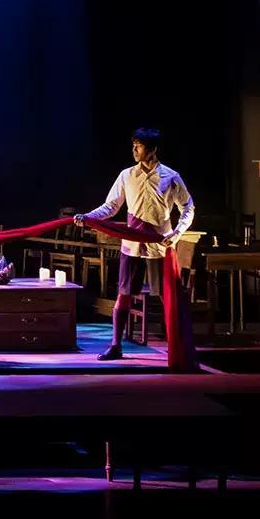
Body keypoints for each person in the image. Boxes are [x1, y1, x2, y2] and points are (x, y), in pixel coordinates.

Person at [76, 128, 197, 367]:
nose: (134, 149)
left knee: (167, 297)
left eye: (139, 146)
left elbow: (188, 207)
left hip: (159, 244)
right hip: (132, 244)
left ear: (152, 149)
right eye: (133, 145)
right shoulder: (127, 175)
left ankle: (177, 348)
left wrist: (176, 233)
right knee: (124, 293)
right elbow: (111, 206)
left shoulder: (170, 176)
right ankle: (115, 345)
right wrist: (88, 217)